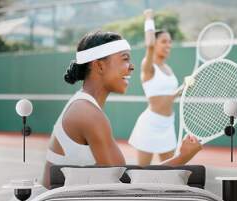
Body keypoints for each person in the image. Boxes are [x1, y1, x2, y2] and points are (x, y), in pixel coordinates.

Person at [42, 30, 202, 188]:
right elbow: (125, 185)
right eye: (125, 59)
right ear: (99, 65)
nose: (131, 67)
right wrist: (183, 156)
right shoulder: (87, 113)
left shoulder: (85, 106)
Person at [128, 9, 184, 166]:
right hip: (150, 125)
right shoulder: (148, 66)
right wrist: (149, 19)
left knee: (169, 174)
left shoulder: (168, 69)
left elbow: (169, 97)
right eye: (164, 41)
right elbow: (149, 44)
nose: (168, 45)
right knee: (141, 173)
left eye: (170, 42)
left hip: (168, 125)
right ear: (156, 43)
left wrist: (184, 88)